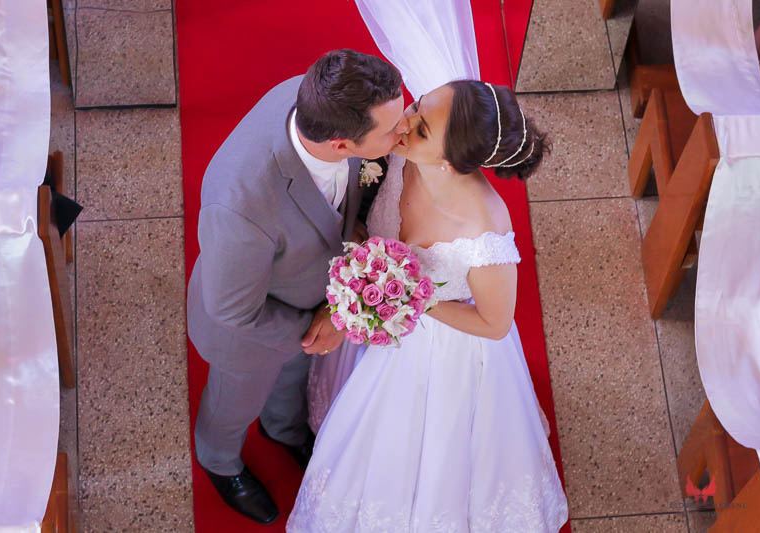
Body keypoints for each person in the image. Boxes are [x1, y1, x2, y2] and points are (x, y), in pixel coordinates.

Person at [287, 80, 569, 532]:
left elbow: (495, 323)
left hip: (441, 348)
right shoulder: (401, 153)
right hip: (388, 312)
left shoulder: (484, 231)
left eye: (419, 128)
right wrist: (362, 245)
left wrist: (410, 297)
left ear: (449, 161)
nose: (402, 124)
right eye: (417, 107)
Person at [186, 49, 407, 524]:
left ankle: (283, 429)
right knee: (234, 404)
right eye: (391, 131)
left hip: (310, 293)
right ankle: (220, 463)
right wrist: (318, 327)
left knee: (292, 379)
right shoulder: (240, 206)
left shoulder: (314, 98)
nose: (403, 130)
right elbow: (234, 311)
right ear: (341, 145)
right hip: (249, 332)